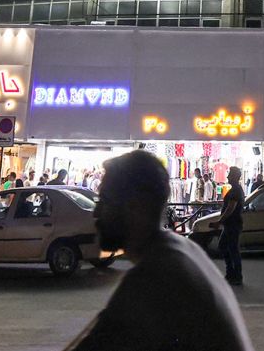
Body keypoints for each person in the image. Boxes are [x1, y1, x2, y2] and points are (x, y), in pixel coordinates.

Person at [63, 150, 253, 351]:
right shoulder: (181, 249)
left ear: (135, 207)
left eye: (105, 202)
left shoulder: (152, 276)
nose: (96, 212)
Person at [215, 166, 246, 285]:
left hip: (233, 224)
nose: (227, 176)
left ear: (234, 177)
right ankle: (232, 273)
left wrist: (220, 221)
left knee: (232, 249)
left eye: (229, 175)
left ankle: (235, 275)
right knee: (225, 247)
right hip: (231, 224)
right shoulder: (236, 189)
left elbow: (230, 208)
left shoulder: (235, 191)